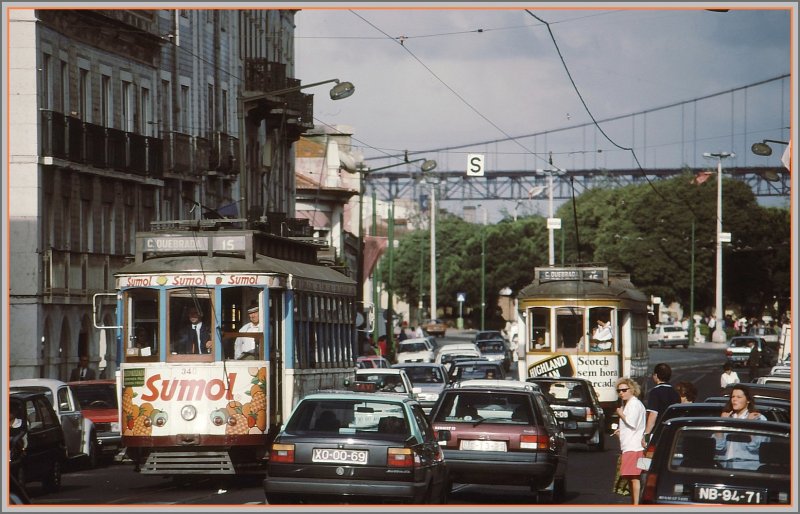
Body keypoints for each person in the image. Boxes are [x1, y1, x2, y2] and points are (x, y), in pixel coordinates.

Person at [715, 384, 766, 470]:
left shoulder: (758, 418)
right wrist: (721, 424)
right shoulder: (727, 417)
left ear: (748, 400)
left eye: (739, 397)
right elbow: (718, 447)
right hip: (724, 466)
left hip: (747, 467)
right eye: (733, 397)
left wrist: (749, 424)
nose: (734, 399)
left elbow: (755, 446)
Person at [613, 377, 647, 505]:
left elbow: (632, 422)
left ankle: (636, 504)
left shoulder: (634, 404)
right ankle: (635, 502)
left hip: (634, 447)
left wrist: (620, 414)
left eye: (624, 390)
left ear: (631, 390)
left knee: (634, 477)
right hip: (630, 445)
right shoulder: (631, 404)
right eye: (619, 391)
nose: (621, 393)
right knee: (631, 477)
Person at [642, 363, 681, 447]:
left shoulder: (655, 392)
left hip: (658, 432)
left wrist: (646, 436)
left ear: (656, 375)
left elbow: (653, 414)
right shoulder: (675, 393)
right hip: (672, 432)